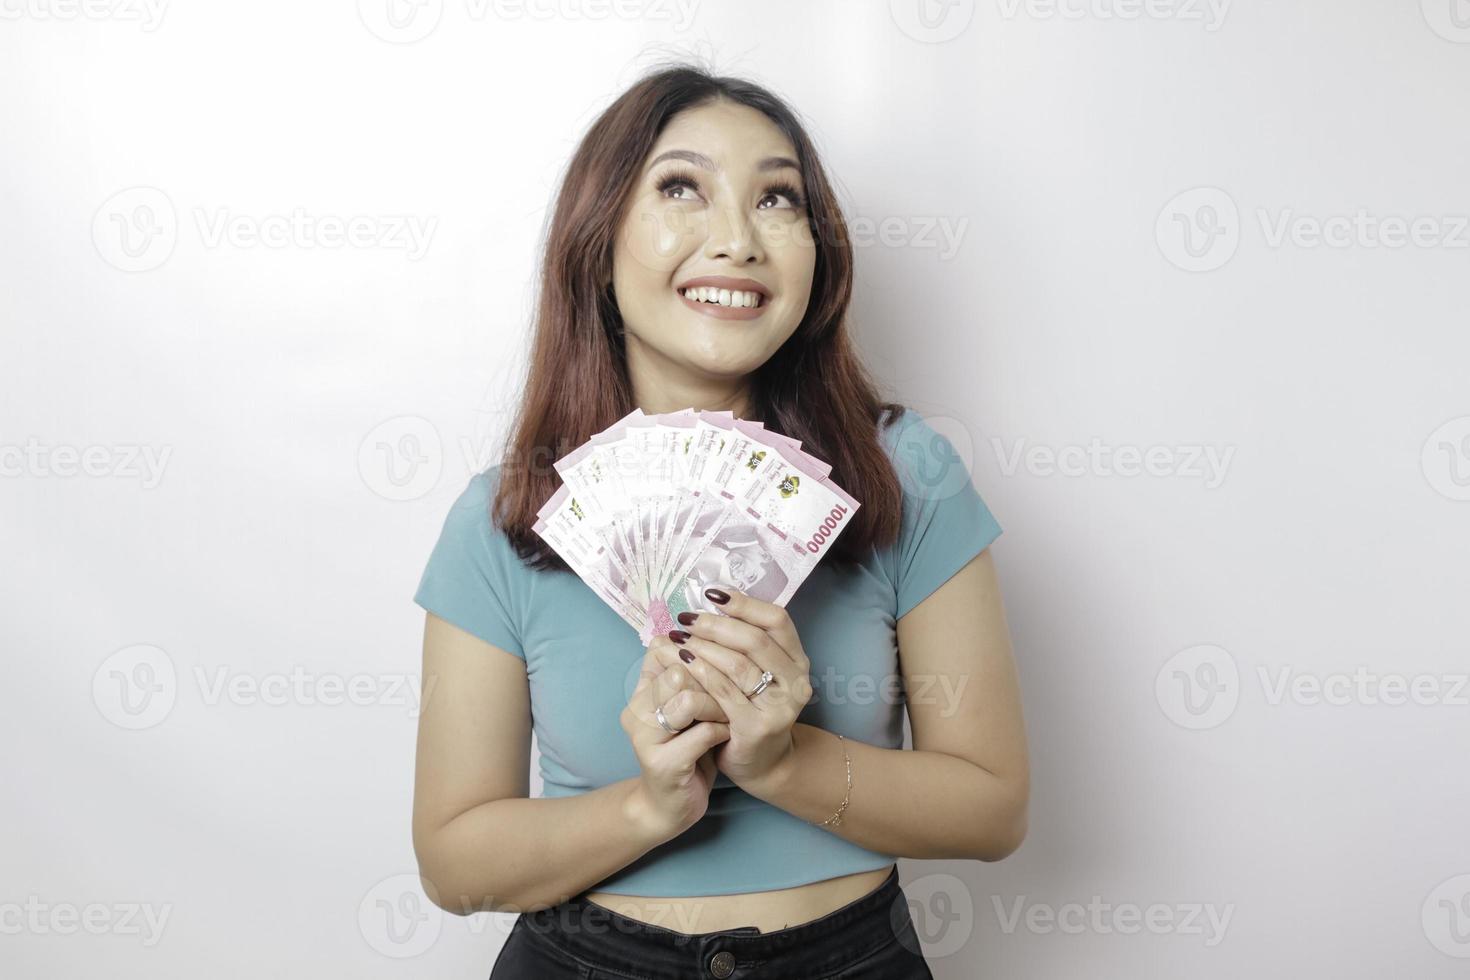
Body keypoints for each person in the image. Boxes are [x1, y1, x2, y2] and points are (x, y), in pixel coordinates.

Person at [410, 61, 1029, 979]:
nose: (737, 239)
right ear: (598, 237)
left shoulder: (908, 477)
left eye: (778, 200)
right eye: (681, 188)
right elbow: (454, 863)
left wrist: (782, 762)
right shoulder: (505, 519)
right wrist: (651, 806)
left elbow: (992, 810)